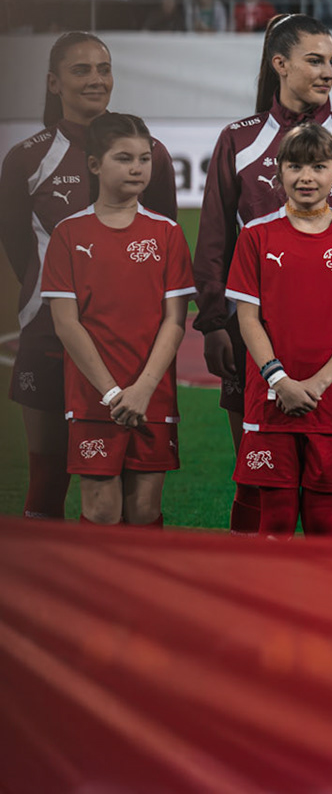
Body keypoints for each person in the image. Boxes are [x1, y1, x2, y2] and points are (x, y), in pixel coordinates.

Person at [193, 15, 332, 538]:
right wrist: (215, 324)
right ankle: (257, 595)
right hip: (256, 345)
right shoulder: (238, 141)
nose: (328, 71)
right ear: (279, 63)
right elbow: (214, 241)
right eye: (315, 60)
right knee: (260, 482)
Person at [1, 34, 177, 522]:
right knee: (48, 476)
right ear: (53, 82)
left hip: (130, 345)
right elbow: (20, 248)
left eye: (104, 68)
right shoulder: (26, 159)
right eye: (81, 70)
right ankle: (51, 595)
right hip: (47, 336)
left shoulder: (151, 153)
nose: (96, 79)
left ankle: (130, 593)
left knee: (133, 487)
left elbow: (161, 240)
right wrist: (57, 300)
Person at [225, 124, 332, 539]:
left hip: (331, 402)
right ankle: (271, 603)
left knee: (324, 522)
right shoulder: (255, 236)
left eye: (318, 166)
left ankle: (317, 603)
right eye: (295, 166)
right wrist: (279, 380)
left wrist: (319, 383)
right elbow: (248, 318)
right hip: (270, 401)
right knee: (276, 520)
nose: (306, 177)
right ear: (278, 172)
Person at [43, 114, 193, 527]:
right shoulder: (68, 234)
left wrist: (143, 389)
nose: (136, 168)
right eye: (123, 158)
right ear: (95, 165)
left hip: (152, 399)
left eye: (144, 159)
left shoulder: (167, 234)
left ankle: (142, 593)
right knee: (101, 509)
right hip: (93, 400)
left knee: (145, 511)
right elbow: (66, 325)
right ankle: (95, 593)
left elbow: (175, 321)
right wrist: (113, 395)